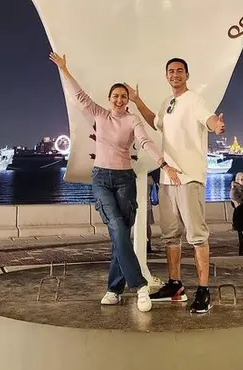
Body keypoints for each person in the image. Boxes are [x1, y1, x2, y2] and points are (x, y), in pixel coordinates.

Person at [50, 52, 179, 313]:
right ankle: (140, 286)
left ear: (127, 99)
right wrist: (64, 69)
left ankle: (113, 289)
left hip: (124, 180)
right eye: (115, 96)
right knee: (119, 230)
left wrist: (164, 163)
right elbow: (79, 95)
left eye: (123, 96)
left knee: (119, 237)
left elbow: (145, 142)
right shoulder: (99, 114)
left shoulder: (133, 119)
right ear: (109, 100)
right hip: (101, 179)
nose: (119, 100)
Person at [127, 57, 225, 314]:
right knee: (171, 236)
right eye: (171, 71)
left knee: (197, 235)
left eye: (179, 71)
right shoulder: (168, 103)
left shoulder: (194, 100)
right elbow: (155, 121)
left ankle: (204, 291)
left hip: (189, 177)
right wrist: (137, 101)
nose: (175, 74)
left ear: (187, 75)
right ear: (166, 76)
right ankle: (175, 285)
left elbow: (210, 119)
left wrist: (217, 126)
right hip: (167, 179)